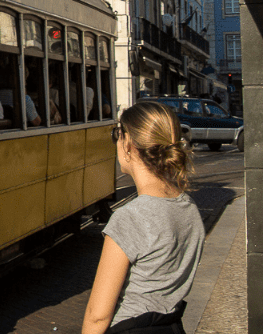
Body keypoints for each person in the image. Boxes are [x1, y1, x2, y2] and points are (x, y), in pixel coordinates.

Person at [82, 101, 204, 334]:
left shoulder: (130, 218)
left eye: (117, 134)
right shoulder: (188, 207)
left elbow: (97, 316)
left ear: (128, 143)